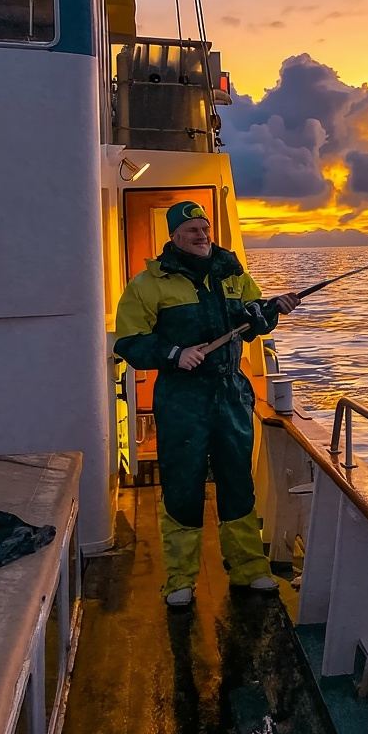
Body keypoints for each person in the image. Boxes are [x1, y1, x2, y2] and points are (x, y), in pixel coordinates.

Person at [114, 200, 300, 607]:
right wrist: (174, 354)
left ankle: (250, 569)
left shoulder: (232, 273)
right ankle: (180, 579)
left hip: (231, 393)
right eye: (191, 231)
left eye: (205, 227)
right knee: (183, 485)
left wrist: (273, 311)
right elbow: (128, 341)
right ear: (174, 237)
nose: (201, 236)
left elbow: (254, 323)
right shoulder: (149, 283)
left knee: (238, 480)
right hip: (183, 399)